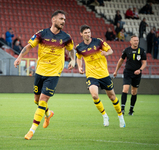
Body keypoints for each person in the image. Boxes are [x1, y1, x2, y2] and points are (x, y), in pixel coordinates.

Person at [14, 10, 75, 140]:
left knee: (42, 100)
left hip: (54, 73)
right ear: (53, 20)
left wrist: (73, 59)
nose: (63, 22)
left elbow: (71, 50)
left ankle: (31, 130)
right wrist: (20, 57)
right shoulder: (41, 34)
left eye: (64, 19)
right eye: (61, 19)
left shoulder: (66, 37)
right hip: (40, 71)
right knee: (36, 100)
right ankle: (48, 113)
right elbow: (29, 46)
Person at [76, 25, 126, 128]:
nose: (88, 34)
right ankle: (104, 115)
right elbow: (79, 58)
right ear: (81, 34)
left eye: (89, 32)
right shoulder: (79, 47)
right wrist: (80, 67)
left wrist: (106, 53)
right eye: (85, 33)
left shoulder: (98, 42)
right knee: (94, 95)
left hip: (104, 74)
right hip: (91, 75)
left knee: (112, 97)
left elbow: (111, 50)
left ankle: (120, 117)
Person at [113, 35, 147, 115]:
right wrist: (116, 71)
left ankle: (131, 110)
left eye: (137, 40)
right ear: (131, 42)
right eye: (134, 40)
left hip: (137, 74)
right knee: (125, 89)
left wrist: (140, 70)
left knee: (134, 91)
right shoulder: (127, 50)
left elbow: (144, 63)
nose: (136, 42)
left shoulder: (141, 51)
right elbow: (121, 61)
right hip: (128, 72)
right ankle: (122, 109)